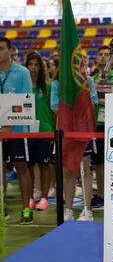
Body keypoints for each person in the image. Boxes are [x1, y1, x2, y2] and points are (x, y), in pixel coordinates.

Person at [51, 54, 99, 221]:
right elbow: (55, 108)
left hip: (83, 131)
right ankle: (69, 210)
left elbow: (93, 104)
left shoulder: (88, 81)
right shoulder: (57, 83)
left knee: (85, 170)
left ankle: (87, 210)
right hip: (65, 132)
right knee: (68, 171)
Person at [0, 37, 33, 224]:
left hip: (18, 130)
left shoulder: (21, 73)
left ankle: (26, 209)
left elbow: (26, 102)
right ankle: (1, 206)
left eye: (1, 49)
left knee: (22, 168)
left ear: (9, 51)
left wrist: (9, 127)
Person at [91, 45, 113, 208]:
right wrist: (97, 83)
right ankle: (100, 194)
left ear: (112, 59)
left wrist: (106, 100)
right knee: (99, 162)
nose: (104, 57)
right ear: (97, 59)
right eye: (101, 54)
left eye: (107, 54)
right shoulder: (92, 79)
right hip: (98, 124)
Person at [25, 51, 54, 211]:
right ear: (27, 66)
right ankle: (29, 196)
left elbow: (53, 109)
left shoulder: (48, 86)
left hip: (45, 130)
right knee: (28, 166)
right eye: (31, 64)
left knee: (44, 166)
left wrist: (54, 132)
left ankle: (44, 197)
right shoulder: (24, 86)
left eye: (37, 65)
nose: (34, 68)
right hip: (27, 131)